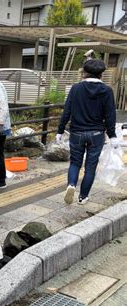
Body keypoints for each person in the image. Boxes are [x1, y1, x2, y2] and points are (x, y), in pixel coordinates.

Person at [57, 59, 119, 205]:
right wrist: (113, 135)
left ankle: (71, 184)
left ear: (84, 72)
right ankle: (82, 197)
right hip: (96, 134)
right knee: (90, 167)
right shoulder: (107, 91)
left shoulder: (76, 88)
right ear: (101, 74)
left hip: (77, 133)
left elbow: (67, 111)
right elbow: (110, 115)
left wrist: (60, 130)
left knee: (75, 163)